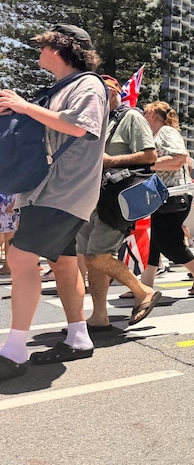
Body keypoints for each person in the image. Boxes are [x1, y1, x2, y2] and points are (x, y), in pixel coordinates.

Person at [0, 24, 108, 379]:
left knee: (19, 257)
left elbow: (78, 126)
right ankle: (78, 337)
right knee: (64, 264)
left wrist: (23, 106)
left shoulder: (88, 84)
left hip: (63, 190)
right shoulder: (60, 89)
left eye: (42, 45)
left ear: (60, 49)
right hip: (52, 190)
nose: (37, 51)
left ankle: (15, 351)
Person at [76, 75, 162, 331]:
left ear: (114, 93)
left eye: (101, 94)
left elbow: (151, 155)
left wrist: (110, 161)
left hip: (116, 198)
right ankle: (99, 316)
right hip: (91, 197)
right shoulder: (96, 121)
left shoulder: (131, 117)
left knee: (97, 255)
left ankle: (142, 290)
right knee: (90, 258)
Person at [141, 101, 194, 294]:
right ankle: (145, 287)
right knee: (153, 241)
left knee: (166, 240)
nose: (142, 116)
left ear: (152, 115)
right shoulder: (159, 134)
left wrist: (147, 165)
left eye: (145, 112)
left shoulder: (167, 132)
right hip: (165, 195)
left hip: (173, 195)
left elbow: (179, 158)